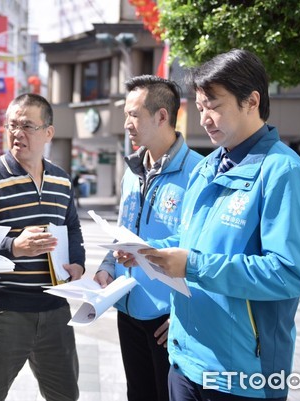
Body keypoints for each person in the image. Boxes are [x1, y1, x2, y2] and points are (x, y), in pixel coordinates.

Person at [131, 49, 300, 400]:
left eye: (214, 105)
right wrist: (151, 253)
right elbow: (192, 239)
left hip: (242, 374)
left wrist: (193, 265)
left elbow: (289, 273)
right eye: (200, 107)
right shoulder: (206, 167)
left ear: (251, 100)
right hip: (185, 360)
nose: (204, 118)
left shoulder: (282, 172)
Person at [0, 93, 86, 401]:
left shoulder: (61, 180)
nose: (17, 133)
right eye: (12, 125)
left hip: (55, 310)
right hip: (3, 313)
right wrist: (14, 246)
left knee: (66, 395)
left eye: (27, 125)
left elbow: (73, 228)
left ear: (48, 133)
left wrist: (78, 264)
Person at [94, 75, 202, 401]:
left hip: (168, 318)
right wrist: (106, 266)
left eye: (133, 114)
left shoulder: (199, 173)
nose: (126, 123)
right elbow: (123, 227)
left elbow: (203, 250)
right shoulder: (132, 170)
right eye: (126, 114)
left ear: (162, 116)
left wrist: (188, 314)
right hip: (128, 308)